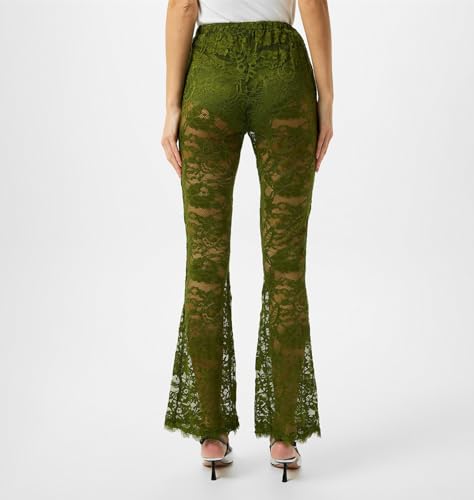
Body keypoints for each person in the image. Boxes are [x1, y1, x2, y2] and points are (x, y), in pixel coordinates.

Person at [160, 0, 334, 482]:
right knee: (286, 266)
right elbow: (312, 3)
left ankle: (212, 434)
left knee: (205, 262)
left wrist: (172, 105)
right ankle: (284, 435)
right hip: (284, 77)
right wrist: (326, 96)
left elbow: (183, 7)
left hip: (210, 76)